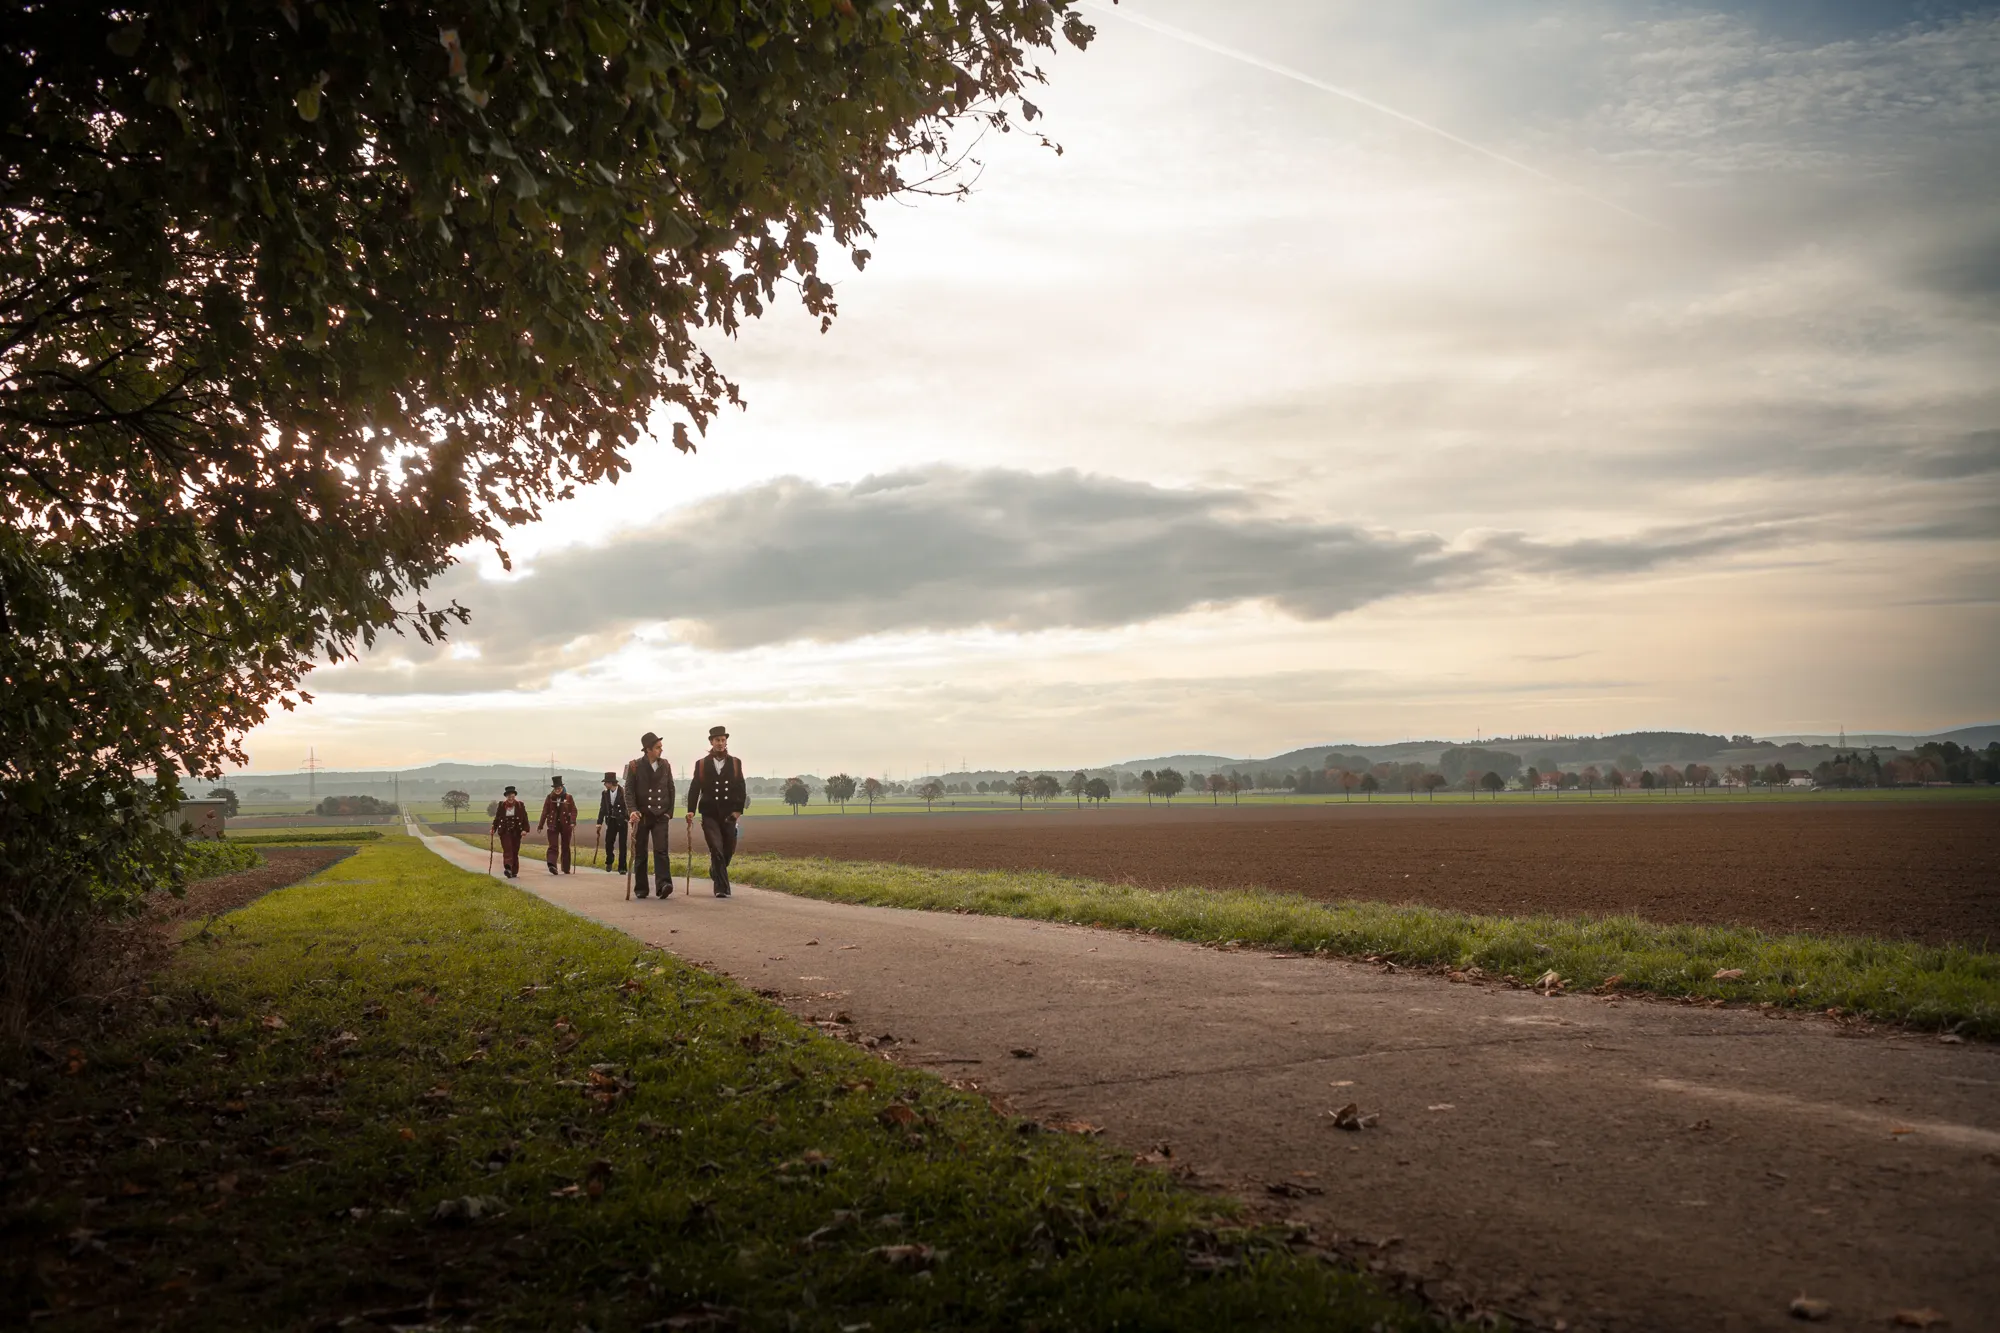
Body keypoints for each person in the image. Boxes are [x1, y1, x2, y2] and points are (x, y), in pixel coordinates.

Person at [684, 725, 747, 898]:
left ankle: (715, 871)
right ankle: (721, 888)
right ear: (711, 742)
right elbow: (695, 787)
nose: (720, 743)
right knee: (716, 849)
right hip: (709, 813)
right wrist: (691, 810)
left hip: (729, 815)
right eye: (717, 740)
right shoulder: (702, 764)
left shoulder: (735, 762)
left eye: (723, 740)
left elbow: (741, 787)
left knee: (727, 852)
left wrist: (737, 811)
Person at [623, 731, 676, 899]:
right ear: (648, 749)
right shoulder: (634, 766)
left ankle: (664, 884)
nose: (661, 750)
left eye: (661, 747)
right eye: (657, 747)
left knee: (661, 851)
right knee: (640, 853)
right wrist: (632, 811)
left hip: (661, 816)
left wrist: (669, 813)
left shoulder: (665, 765)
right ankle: (641, 888)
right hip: (642, 816)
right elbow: (629, 791)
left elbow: (671, 788)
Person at [538, 775, 577, 875]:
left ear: (562, 787)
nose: (557, 790)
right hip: (553, 825)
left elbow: (573, 810)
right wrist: (540, 825)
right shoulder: (549, 798)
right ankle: (552, 865)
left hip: (566, 825)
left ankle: (566, 868)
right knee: (553, 845)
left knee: (565, 846)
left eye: (559, 788)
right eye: (556, 788)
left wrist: (572, 821)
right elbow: (545, 811)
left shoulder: (568, 797)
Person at [490, 785, 530, 878]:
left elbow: (525, 818)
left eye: (512, 796)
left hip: (516, 831)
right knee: (508, 849)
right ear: (506, 797)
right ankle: (508, 868)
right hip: (505, 831)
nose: (511, 798)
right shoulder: (501, 805)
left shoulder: (520, 805)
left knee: (515, 851)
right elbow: (497, 818)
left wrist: (525, 830)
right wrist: (493, 828)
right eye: (509, 797)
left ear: (514, 796)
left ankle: (514, 870)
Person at [597, 771, 627, 874]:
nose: (605, 784)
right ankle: (609, 860)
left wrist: (626, 818)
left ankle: (622, 867)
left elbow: (627, 807)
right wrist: (599, 822)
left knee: (623, 845)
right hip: (611, 821)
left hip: (622, 822)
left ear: (611, 783)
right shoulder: (605, 793)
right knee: (609, 843)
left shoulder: (624, 792)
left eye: (606, 782)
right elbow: (602, 808)